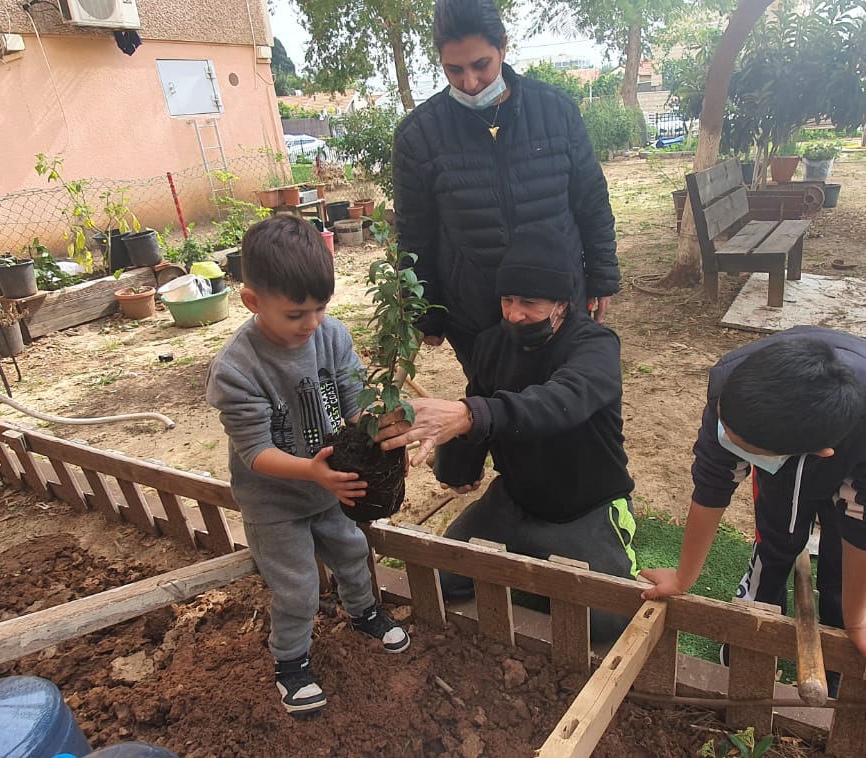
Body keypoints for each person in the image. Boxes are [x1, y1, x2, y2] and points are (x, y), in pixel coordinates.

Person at [374, 223, 637, 643]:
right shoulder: (491, 343)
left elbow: (558, 402)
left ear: (561, 303)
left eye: (529, 303)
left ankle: (608, 541)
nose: (514, 314)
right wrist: (460, 468)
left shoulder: (596, 347)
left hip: (583, 506)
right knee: (438, 580)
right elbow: (478, 401)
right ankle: (526, 546)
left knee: (607, 623)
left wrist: (468, 415)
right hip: (515, 500)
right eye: (507, 300)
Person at [205, 215, 409, 716]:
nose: (312, 323)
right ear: (253, 302)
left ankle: (363, 613)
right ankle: (290, 663)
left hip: (331, 487)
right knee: (297, 588)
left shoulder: (331, 336)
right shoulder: (237, 369)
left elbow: (354, 400)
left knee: (354, 551)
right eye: (297, 313)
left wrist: (377, 423)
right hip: (274, 502)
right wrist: (312, 472)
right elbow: (255, 452)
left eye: (320, 308)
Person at [640, 327, 866, 675]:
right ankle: (759, 607)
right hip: (786, 444)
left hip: (861, 446)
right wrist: (683, 577)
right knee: (778, 532)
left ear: (813, 453)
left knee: (842, 544)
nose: (727, 442)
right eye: (727, 432)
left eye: (747, 451)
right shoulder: (732, 384)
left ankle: (841, 626)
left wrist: (857, 620)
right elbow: (711, 484)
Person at [392, 0, 619, 375]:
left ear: (503, 47)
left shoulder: (556, 111)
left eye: (481, 64)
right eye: (454, 69)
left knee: (561, 406)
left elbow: (590, 199)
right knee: (492, 413)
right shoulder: (418, 136)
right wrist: (426, 312)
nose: (469, 82)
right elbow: (415, 235)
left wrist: (602, 276)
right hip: (476, 314)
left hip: (558, 302)